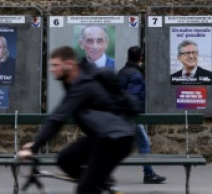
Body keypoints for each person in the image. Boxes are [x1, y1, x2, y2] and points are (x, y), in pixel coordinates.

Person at [17, 46, 135, 193]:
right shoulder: (74, 82)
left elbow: (57, 118)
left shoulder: (84, 86)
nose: (52, 69)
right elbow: (58, 116)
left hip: (116, 139)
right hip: (102, 136)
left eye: (55, 65)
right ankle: (100, 183)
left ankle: (95, 184)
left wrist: (34, 146)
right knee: (65, 160)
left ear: (69, 64)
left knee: (84, 189)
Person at [116, 46, 166, 184]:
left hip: (121, 115)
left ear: (127, 57)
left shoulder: (122, 72)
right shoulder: (136, 75)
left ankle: (100, 172)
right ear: (141, 58)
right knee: (144, 143)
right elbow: (131, 97)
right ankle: (149, 174)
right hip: (131, 116)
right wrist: (137, 114)